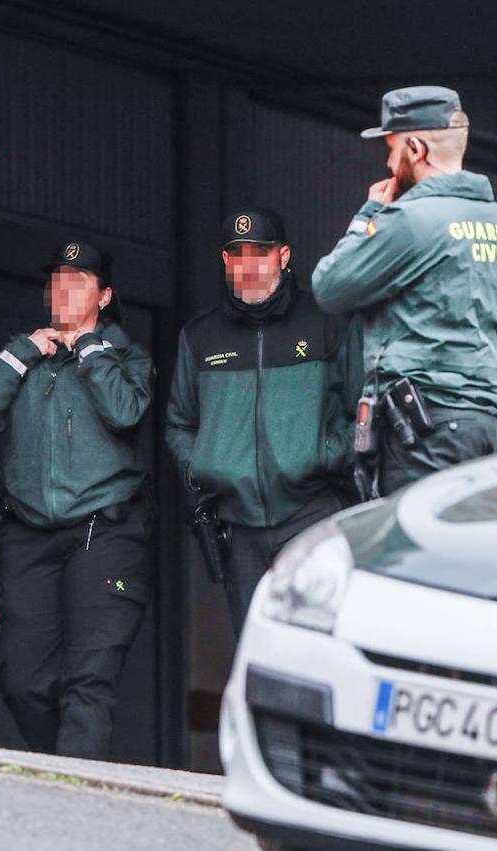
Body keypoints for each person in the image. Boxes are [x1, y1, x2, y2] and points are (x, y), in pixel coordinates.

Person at [0, 241, 154, 760]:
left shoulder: (128, 357)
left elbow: (127, 412)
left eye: (79, 279)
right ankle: (59, 772)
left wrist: (88, 349)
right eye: (58, 279)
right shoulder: (26, 358)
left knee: (88, 680)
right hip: (28, 532)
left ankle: (74, 788)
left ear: (105, 296)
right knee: (23, 681)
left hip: (103, 533)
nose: (63, 288)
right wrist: (19, 355)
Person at [312, 86, 497, 497]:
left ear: (415, 147)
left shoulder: (409, 221)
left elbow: (331, 287)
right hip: (493, 428)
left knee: (416, 552)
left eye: (391, 147)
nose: (387, 161)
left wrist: (367, 217)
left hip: (426, 429)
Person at [166, 210, 362, 637]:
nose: (249, 266)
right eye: (237, 255)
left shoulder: (327, 321)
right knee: (259, 652)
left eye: (261, 252)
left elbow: (362, 413)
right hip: (239, 530)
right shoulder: (200, 337)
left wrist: (322, 455)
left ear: (283, 256)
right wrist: (200, 466)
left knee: (319, 644)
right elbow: (179, 424)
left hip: (313, 516)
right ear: (225, 261)